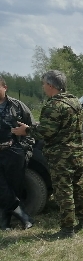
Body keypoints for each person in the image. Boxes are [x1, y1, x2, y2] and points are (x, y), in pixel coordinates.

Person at [13, 70, 83, 238]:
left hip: (60, 156)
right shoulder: (74, 102)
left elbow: (45, 132)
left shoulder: (53, 105)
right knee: (79, 187)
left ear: (50, 85)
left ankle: (67, 229)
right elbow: (62, 125)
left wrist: (25, 130)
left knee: (64, 191)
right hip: (76, 152)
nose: (43, 87)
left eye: (43, 84)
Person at [0, 76, 34, 230]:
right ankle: (24, 216)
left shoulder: (17, 106)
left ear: (4, 87)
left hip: (14, 151)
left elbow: (31, 128)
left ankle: (4, 222)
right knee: (2, 188)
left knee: (14, 187)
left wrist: (24, 149)